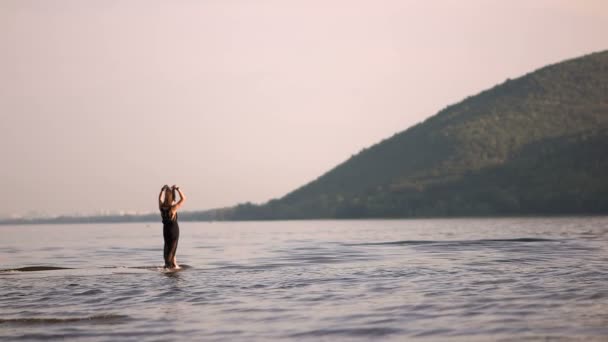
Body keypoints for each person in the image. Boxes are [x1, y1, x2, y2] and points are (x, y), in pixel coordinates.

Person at [158, 184, 186, 269]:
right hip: (173, 231)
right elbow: (183, 199)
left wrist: (162, 190)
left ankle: (173, 264)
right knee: (172, 249)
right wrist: (178, 189)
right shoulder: (173, 208)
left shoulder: (161, 207)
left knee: (167, 247)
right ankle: (168, 265)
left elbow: (159, 199)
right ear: (171, 198)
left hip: (165, 231)